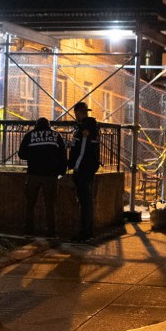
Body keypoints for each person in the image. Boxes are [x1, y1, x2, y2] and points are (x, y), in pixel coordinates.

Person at [18, 117, 67, 238]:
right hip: (51, 175)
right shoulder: (56, 135)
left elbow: (21, 154)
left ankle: (29, 230)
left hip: (34, 173)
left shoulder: (30, 135)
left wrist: (34, 156)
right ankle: (51, 232)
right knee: (50, 205)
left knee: (30, 204)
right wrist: (61, 171)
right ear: (49, 126)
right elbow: (63, 154)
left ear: (36, 125)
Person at [67, 101, 100, 242]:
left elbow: (82, 150)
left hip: (83, 170)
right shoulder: (89, 127)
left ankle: (85, 233)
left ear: (78, 113)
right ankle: (88, 232)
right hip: (88, 169)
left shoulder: (85, 129)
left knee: (85, 202)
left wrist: (76, 168)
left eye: (77, 114)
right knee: (86, 201)